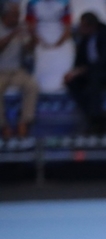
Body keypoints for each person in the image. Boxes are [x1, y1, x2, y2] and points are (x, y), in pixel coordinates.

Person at [64, 12, 106, 135]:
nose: (80, 29)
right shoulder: (85, 40)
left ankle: (97, 119)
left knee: (94, 78)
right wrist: (74, 73)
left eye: (83, 26)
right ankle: (91, 117)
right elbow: (79, 62)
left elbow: (105, 61)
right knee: (73, 82)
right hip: (93, 72)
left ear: (91, 26)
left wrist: (83, 70)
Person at [0, 2, 38, 139]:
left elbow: (29, 50)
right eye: (14, 16)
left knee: (32, 86)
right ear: (5, 15)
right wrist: (12, 35)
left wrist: (32, 36)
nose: (17, 19)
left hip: (16, 71)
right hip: (1, 71)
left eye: (18, 15)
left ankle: (24, 122)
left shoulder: (21, 28)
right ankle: (3, 125)